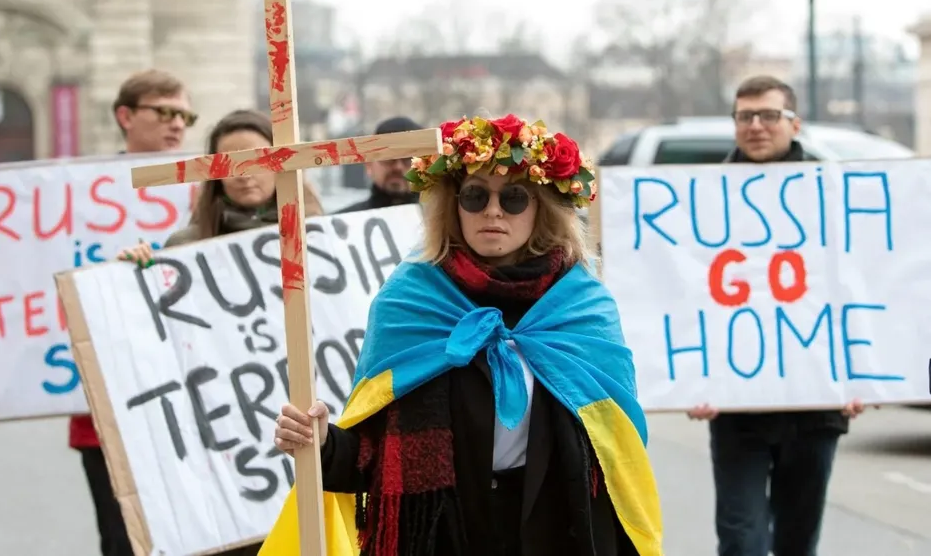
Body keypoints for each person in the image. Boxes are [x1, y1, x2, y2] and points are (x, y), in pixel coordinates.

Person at [263, 113, 664, 556]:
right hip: (441, 537)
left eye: (514, 198)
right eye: (475, 196)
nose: (492, 211)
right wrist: (320, 441)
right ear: (454, 205)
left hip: (559, 532)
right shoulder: (410, 302)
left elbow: (618, 451)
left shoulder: (583, 306)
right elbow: (371, 457)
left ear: (541, 210)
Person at [0, 68, 196, 556]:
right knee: (122, 544)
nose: (177, 125)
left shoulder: (201, 191)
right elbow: (22, 298)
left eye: (185, 115)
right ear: (125, 116)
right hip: (100, 421)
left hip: (189, 406)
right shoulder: (75, 194)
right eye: (164, 112)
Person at [116, 109, 324, 556]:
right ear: (213, 173)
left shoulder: (322, 238)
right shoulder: (184, 247)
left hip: (308, 431)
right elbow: (162, 345)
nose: (244, 173)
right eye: (229, 162)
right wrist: (133, 279)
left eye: (256, 157)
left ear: (280, 162)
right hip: (226, 439)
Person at [687, 74, 866, 556]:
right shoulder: (700, 201)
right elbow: (682, 295)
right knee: (741, 540)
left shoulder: (833, 194)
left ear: (795, 123)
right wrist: (685, 379)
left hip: (815, 407)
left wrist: (860, 375)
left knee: (797, 541)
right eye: (745, 116)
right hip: (736, 405)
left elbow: (858, 287)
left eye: (769, 115)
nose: (756, 126)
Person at [336, 116, 423, 213]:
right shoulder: (343, 222)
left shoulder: (439, 223)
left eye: (408, 159)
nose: (398, 167)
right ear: (369, 164)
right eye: (388, 157)